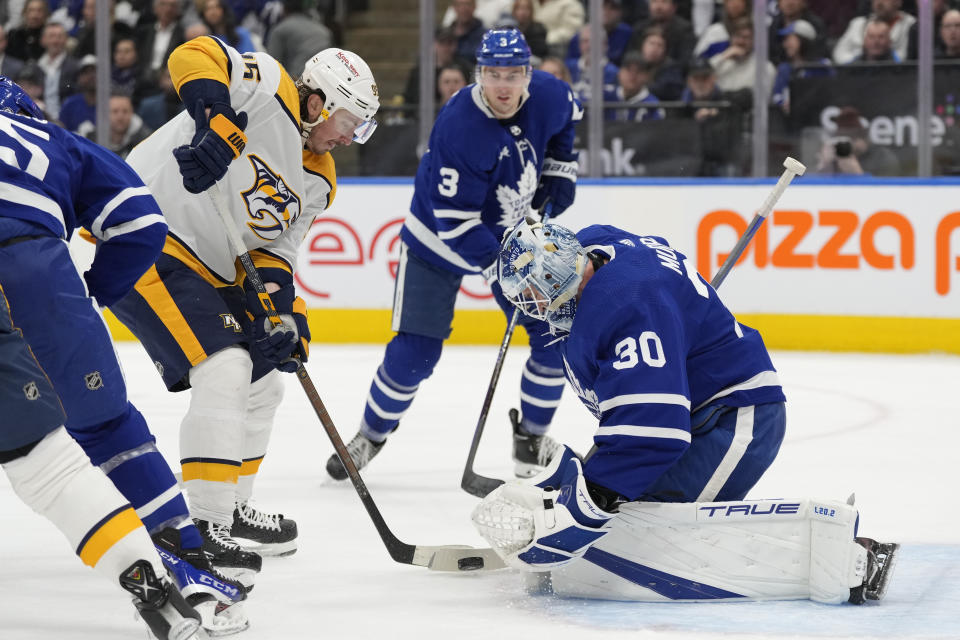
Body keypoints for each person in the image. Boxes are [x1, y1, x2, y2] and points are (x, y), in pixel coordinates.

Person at [472, 217, 899, 605]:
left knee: (640, 532)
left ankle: (842, 555)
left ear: (554, 278)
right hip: (699, 407)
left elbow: (652, 433)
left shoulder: (622, 306)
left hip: (732, 418)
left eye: (533, 294)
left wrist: (590, 502)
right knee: (618, 513)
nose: (533, 306)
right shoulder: (598, 245)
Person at [111, 36, 379, 579]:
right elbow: (192, 54)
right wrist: (215, 120)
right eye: (350, 119)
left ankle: (227, 505)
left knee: (264, 380)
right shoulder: (268, 87)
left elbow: (274, 250)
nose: (351, 136)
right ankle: (199, 528)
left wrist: (283, 317)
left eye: (362, 127)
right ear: (318, 99)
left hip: (207, 261)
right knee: (225, 366)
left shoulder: (320, 181)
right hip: (143, 228)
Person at [0, 76, 248, 636]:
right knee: (103, 431)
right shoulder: (52, 139)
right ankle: (186, 559)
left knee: (31, 455)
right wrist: (95, 291)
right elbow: (142, 222)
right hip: (41, 276)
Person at [325, 28, 582, 481]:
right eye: (493, 74)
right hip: (436, 243)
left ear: (528, 74)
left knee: (552, 337)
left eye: (514, 74)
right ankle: (371, 434)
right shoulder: (460, 125)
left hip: (512, 237)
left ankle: (531, 438)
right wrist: (502, 269)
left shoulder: (551, 94)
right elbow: (456, 223)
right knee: (415, 355)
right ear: (478, 74)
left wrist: (560, 168)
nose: (504, 86)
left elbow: (569, 119)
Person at [816, 106, 900, 176]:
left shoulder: (882, 157)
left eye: (850, 139)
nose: (845, 145)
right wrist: (825, 165)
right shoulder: (835, 158)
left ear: (862, 139)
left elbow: (887, 190)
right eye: (841, 140)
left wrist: (857, 174)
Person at [832, 0, 915, 64]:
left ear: (898, 2)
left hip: (894, 76)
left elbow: (905, 58)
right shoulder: (858, 23)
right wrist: (862, 61)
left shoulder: (911, 25)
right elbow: (839, 54)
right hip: (857, 75)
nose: (879, 2)